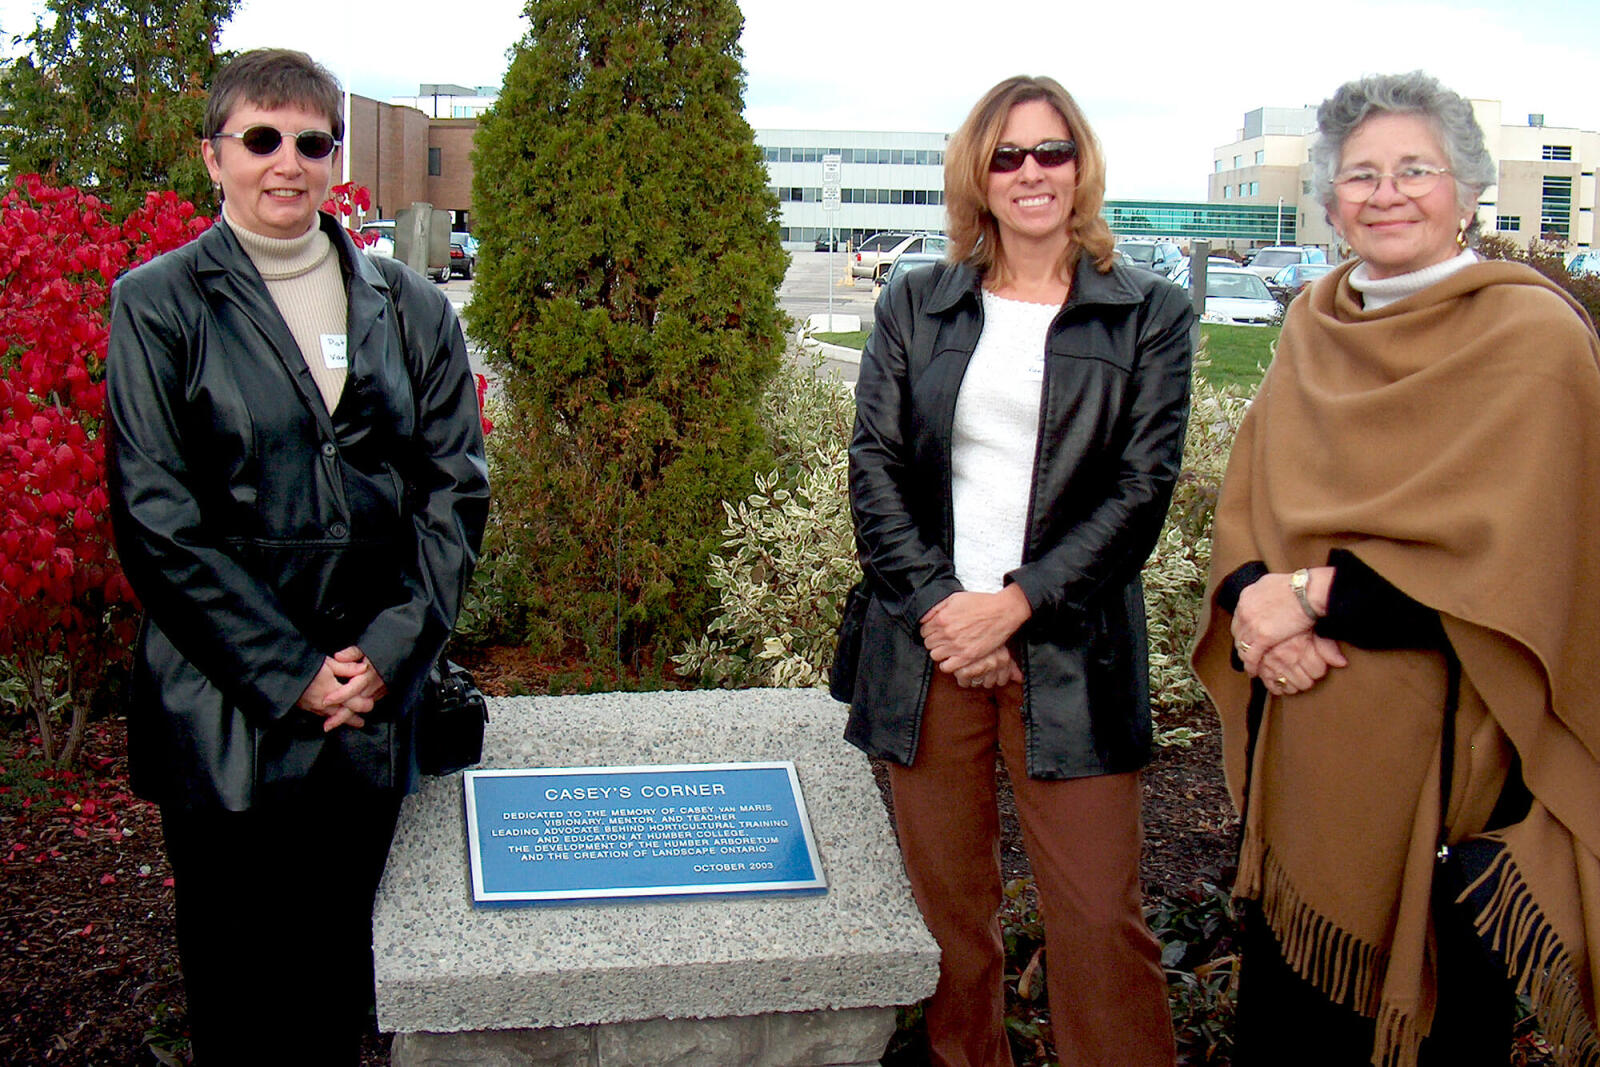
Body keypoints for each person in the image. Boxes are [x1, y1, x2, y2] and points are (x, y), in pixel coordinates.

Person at [1192, 71, 1600, 1067]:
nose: (1385, 193)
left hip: (1453, 776)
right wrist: (1254, 616)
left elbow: (1519, 560)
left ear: (1466, 188)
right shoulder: (1313, 325)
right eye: (1359, 174)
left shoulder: (1534, 338)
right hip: (1307, 761)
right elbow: (1251, 503)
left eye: (1414, 169)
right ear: (1328, 202)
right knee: (1290, 1028)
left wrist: (1304, 597)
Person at [105, 49, 489, 1063]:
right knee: (238, 995)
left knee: (333, 993)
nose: (288, 163)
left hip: (368, 694)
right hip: (221, 698)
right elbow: (154, 514)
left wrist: (388, 651)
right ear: (213, 157)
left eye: (311, 142)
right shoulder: (157, 302)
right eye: (261, 140)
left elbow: (454, 490)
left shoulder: (409, 305)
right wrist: (288, 672)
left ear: (336, 159)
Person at [842, 74, 1192, 1066]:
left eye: (1050, 151)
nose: (1029, 171)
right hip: (930, 649)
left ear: (1080, 166)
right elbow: (873, 465)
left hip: (1072, 654)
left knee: (1096, 923)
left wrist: (1014, 607)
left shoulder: (1148, 314)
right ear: (977, 175)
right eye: (1006, 154)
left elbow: (1139, 494)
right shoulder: (918, 300)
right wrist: (946, 609)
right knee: (952, 924)